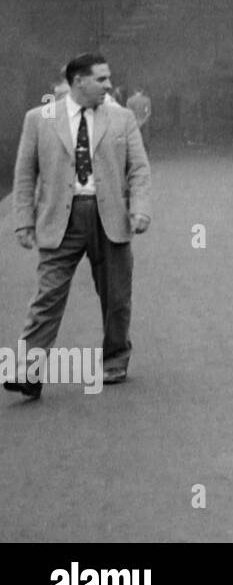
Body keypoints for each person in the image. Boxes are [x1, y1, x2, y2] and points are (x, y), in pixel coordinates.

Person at [6, 53, 151, 397]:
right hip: (61, 220)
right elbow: (25, 174)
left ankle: (114, 360)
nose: (109, 85)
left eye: (108, 78)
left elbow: (139, 168)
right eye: (101, 79)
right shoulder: (38, 120)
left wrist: (140, 208)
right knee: (47, 297)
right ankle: (29, 372)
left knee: (116, 296)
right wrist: (23, 220)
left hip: (109, 217)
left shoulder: (122, 118)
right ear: (77, 82)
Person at [126, 86, 152, 151]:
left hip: (133, 122)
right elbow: (148, 112)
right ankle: (145, 152)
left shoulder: (129, 100)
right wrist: (143, 121)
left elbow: (128, 112)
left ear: (134, 91)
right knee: (145, 139)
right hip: (144, 122)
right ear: (142, 91)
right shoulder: (146, 100)